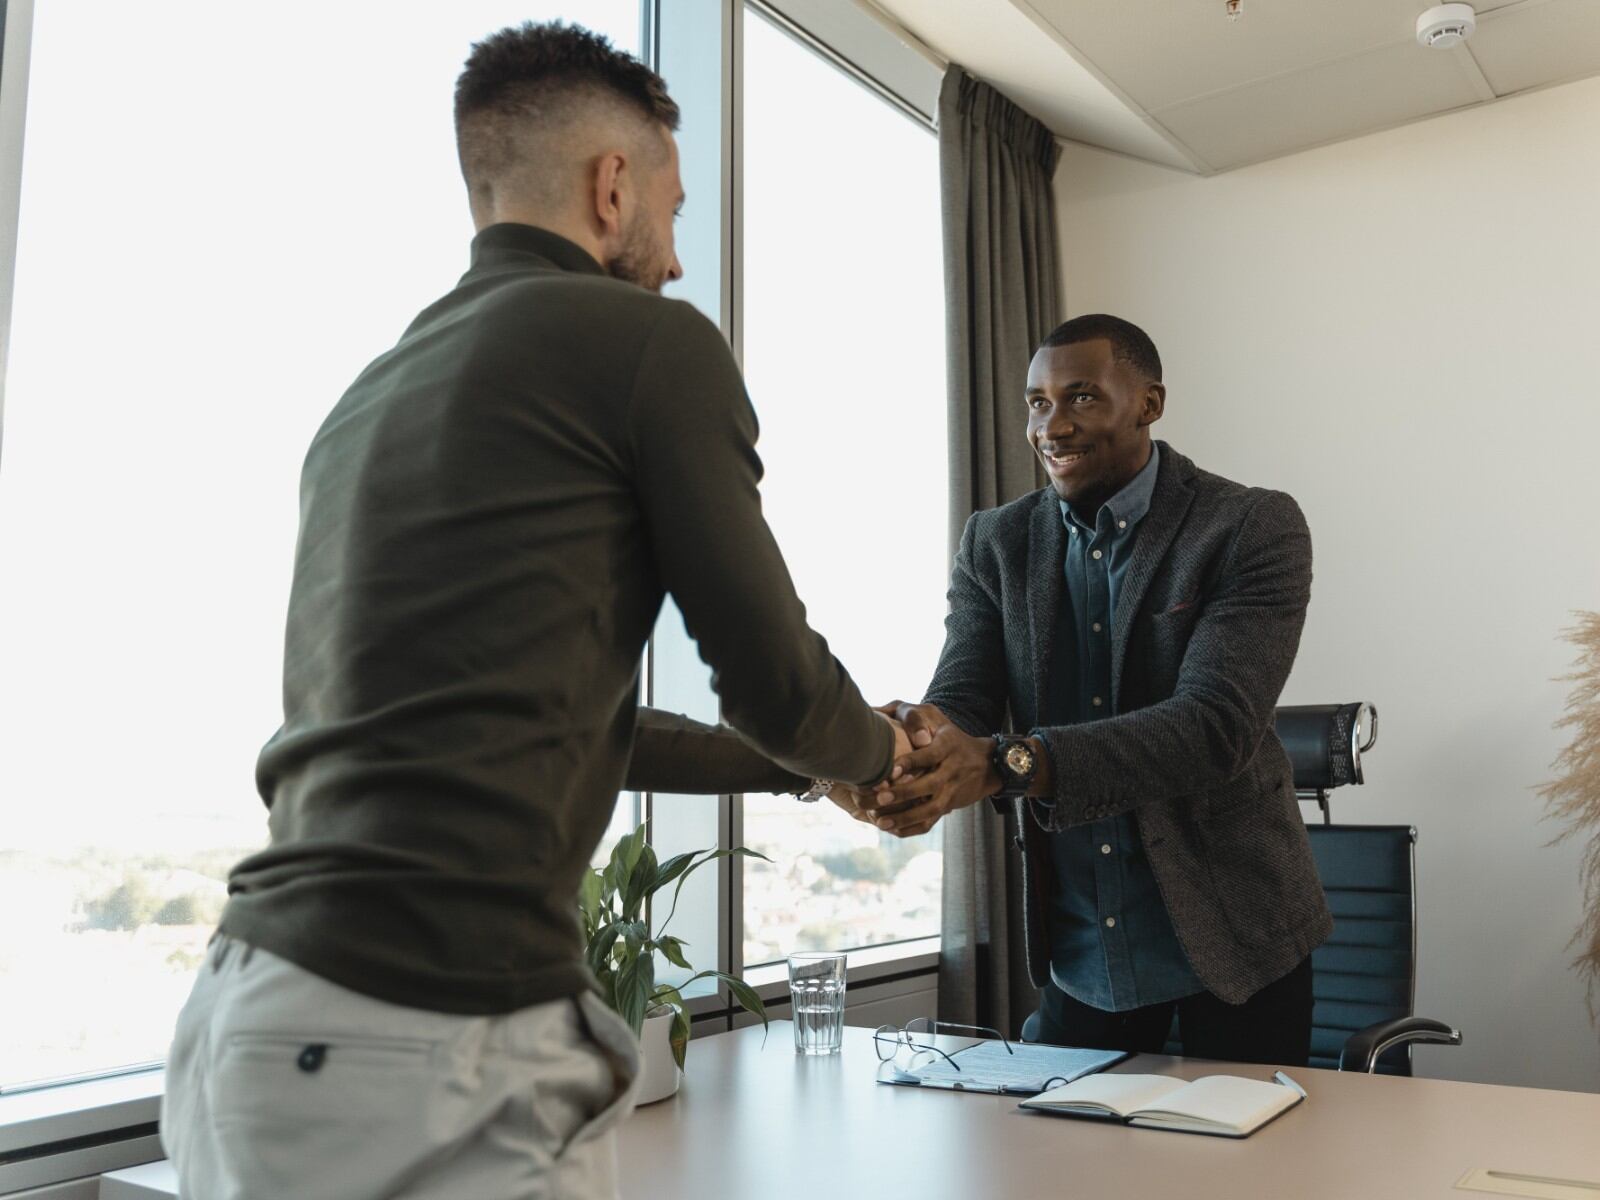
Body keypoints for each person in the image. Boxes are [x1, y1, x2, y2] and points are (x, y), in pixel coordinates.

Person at [159, 22, 906, 1200]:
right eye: (672, 210)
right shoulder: (647, 345)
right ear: (613, 188)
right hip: (420, 1032)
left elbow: (559, 720)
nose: (676, 260)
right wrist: (884, 755)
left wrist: (801, 775)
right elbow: (775, 681)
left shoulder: (372, 395)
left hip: (250, 1016)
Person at [847, 314, 1330, 1065]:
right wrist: (901, 745)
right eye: (1037, 403)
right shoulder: (995, 542)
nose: (1053, 426)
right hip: (1084, 950)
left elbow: (1213, 728)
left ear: (1149, 403)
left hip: (1236, 942)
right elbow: (964, 704)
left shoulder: (1249, 526)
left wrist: (1009, 762)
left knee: (1247, 1143)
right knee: (1058, 1141)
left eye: (1081, 397)